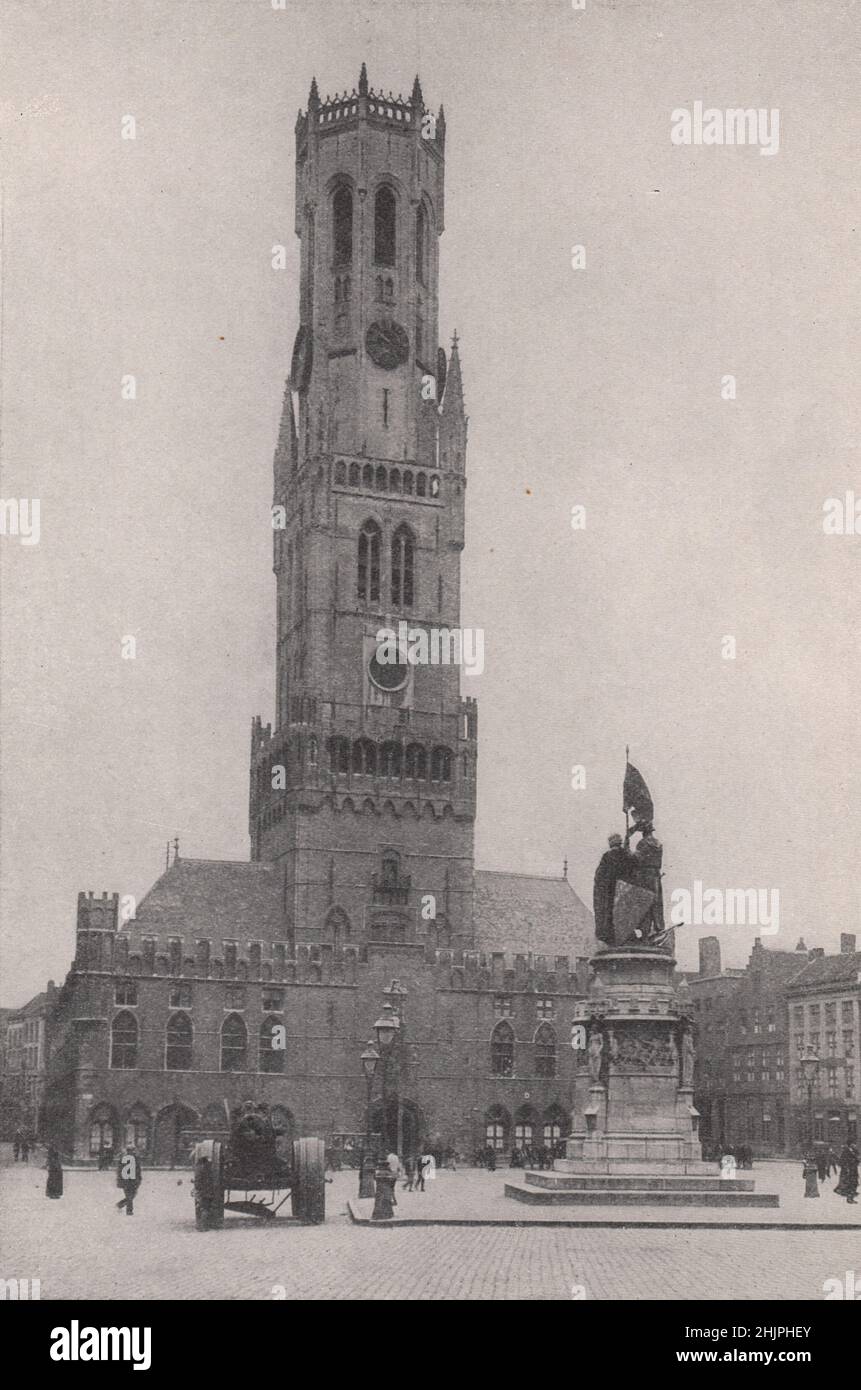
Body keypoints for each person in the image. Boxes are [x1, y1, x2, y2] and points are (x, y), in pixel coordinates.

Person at [592, 834, 637, 944]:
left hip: (609, 892)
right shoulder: (626, 855)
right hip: (624, 891)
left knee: (610, 914)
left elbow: (599, 876)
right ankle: (628, 934)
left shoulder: (607, 856)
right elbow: (634, 869)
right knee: (624, 913)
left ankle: (610, 935)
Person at [115, 1143, 143, 1216]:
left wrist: (119, 1180)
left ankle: (121, 1205)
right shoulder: (136, 1158)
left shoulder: (123, 1158)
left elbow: (119, 1170)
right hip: (133, 1179)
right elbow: (138, 1170)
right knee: (132, 1195)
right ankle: (128, 1210)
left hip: (125, 1179)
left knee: (129, 1195)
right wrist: (139, 1179)